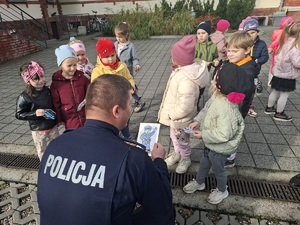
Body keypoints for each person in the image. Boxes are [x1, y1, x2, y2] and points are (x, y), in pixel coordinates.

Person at [37, 75, 175, 225]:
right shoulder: (134, 159)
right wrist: (159, 162)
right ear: (116, 111)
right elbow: (163, 209)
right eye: (130, 104)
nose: (131, 109)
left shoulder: (56, 144)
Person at [182, 63, 250, 204]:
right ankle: (200, 182)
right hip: (211, 144)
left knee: (218, 170)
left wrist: (203, 135)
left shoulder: (227, 109)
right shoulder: (217, 96)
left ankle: (222, 190)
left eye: (215, 78)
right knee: (204, 163)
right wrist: (198, 120)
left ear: (220, 84)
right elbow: (207, 109)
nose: (212, 80)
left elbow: (224, 135)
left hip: (220, 147)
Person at [158, 35, 210, 174]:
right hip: (175, 120)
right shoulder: (181, 71)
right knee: (174, 137)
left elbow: (186, 106)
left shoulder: (186, 79)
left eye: (173, 56)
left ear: (179, 59)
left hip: (180, 119)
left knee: (182, 140)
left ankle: (185, 158)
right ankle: (177, 153)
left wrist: (172, 114)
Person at [91, 38, 142, 139]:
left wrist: (131, 86)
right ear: (100, 56)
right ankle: (114, 137)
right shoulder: (97, 71)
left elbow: (129, 77)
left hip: (123, 100)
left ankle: (127, 136)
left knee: (125, 120)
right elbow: (96, 89)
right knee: (112, 123)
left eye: (112, 55)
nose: (110, 59)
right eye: (106, 56)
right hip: (109, 104)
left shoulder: (122, 66)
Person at [224, 31, 260, 167]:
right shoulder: (235, 64)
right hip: (231, 107)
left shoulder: (246, 72)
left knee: (232, 133)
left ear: (247, 50)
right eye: (228, 50)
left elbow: (240, 95)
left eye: (234, 51)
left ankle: (230, 158)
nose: (230, 54)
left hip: (236, 109)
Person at [15, 61, 59, 160]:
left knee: (57, 145)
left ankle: (57, 160)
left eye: (42, 76)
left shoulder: (47, 91)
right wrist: (35, 113)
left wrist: (58, 118)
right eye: (36, 79)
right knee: (42, 149)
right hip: (38, 129)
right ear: (28, 81)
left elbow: (54, 105)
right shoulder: (24, 96)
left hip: (52, 126)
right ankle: (44, 165)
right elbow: (19, 114)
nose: (41, 80)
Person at [264, 21, 300, 122]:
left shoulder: (284, 43)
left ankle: (269, 107)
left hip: (278, 73)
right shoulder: (296, 47)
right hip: (288, 75)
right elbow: (297, 63)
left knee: (274, 91)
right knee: (284, 95)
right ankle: (279, 113)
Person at [51, 44, 90, 130]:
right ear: (61, 65)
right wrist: (59, 119)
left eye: (75, 65)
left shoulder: (82, 78)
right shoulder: (56, 83)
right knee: (74, 137)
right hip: (69, 118)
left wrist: (88, 99)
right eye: (69, 66)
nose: (73, 68)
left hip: (86, 115)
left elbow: (89, 91)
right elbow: (56, 103)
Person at [114, 22, 145, 113]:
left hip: (127, 72)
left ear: (126, 35)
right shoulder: (115, 44)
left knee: (130, 87)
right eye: (116, 36)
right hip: (117, 71)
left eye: (120, 37)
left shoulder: (131, 46)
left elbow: (135, 58)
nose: (118, 39)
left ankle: (139, 101)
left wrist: (137, 65)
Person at [243, 18, 269, 117]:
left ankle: (248, 106)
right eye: (248, 33)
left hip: (254, 72)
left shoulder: (261, 44)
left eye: (253, 32)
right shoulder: (243, 43)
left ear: (257, 32)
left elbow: (265, 57)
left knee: (251, 91)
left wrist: (257, 61)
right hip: (243, 71)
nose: (251, 35)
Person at [195, 20, 219, 111]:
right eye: (198, 33)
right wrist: (202, 62)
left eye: (203, 33)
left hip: (205, 72)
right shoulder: (195, 45)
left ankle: (196, 104)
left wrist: (216, 61)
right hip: (195, 72)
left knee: (201, 91)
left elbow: (215, 57)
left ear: (208, 34)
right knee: (194, 90)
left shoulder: (213, 46)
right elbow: (192, 58)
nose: (200, 35)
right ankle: (193, 105)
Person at [267, 16, 294, 86]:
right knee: (277, 65)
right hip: (281, 51)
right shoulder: (284, 33)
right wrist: (270, 47)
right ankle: (272, 81)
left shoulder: (277, 32)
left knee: (273, 64)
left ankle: (271, 80)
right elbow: (276, 41)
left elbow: (274, 41)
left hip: (276, 51)